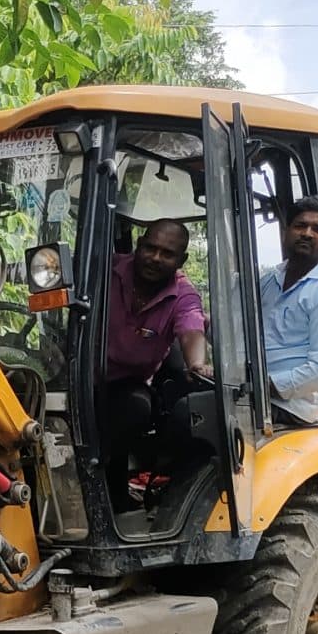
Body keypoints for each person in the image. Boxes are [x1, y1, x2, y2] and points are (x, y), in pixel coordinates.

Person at [101, 216, 211, 508]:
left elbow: (191, 330)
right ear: (138, 245)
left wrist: (197, 364)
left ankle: (96, 485)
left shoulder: (183, 295)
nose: (155, 258)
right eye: (150, 248)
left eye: (167, 254)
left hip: (126, 384)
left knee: (134, 407)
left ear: (181, 260)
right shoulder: (105, 268)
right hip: (78, 372)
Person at [257, 194, 318, 425]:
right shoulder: (269, 281)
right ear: (286, 231)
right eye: (300, 225)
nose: (307, 233)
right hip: (252, 395)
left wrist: (260, 387)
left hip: (287, 407)